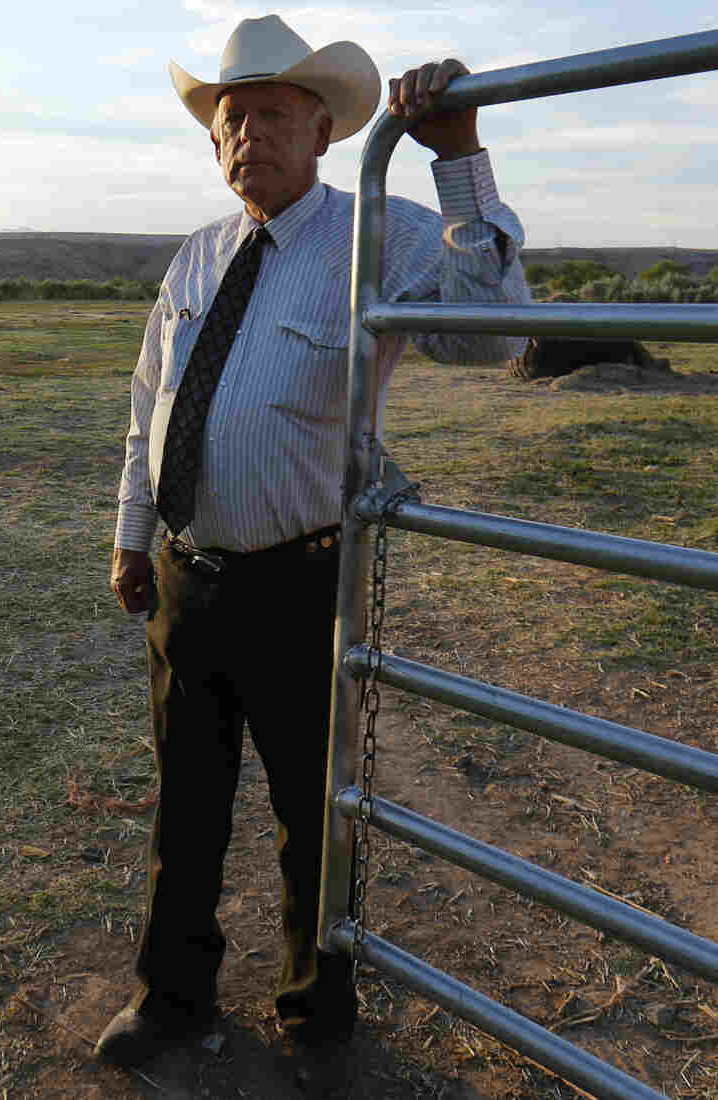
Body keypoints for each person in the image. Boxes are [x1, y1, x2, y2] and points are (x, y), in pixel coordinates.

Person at [98, 12, 530, 1088]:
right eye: (230, 118)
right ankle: (169, 994)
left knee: (310, 811)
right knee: (185, 800)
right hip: (186, 581)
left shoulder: (374, 234)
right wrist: (130, 537)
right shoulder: (195, 254)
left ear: (324, 129)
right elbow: (148, 401)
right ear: (212, 144)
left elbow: (494, 333)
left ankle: (313, 1009)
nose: (248, 134)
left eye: (273, 114)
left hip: (301, 581)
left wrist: (460, 159)